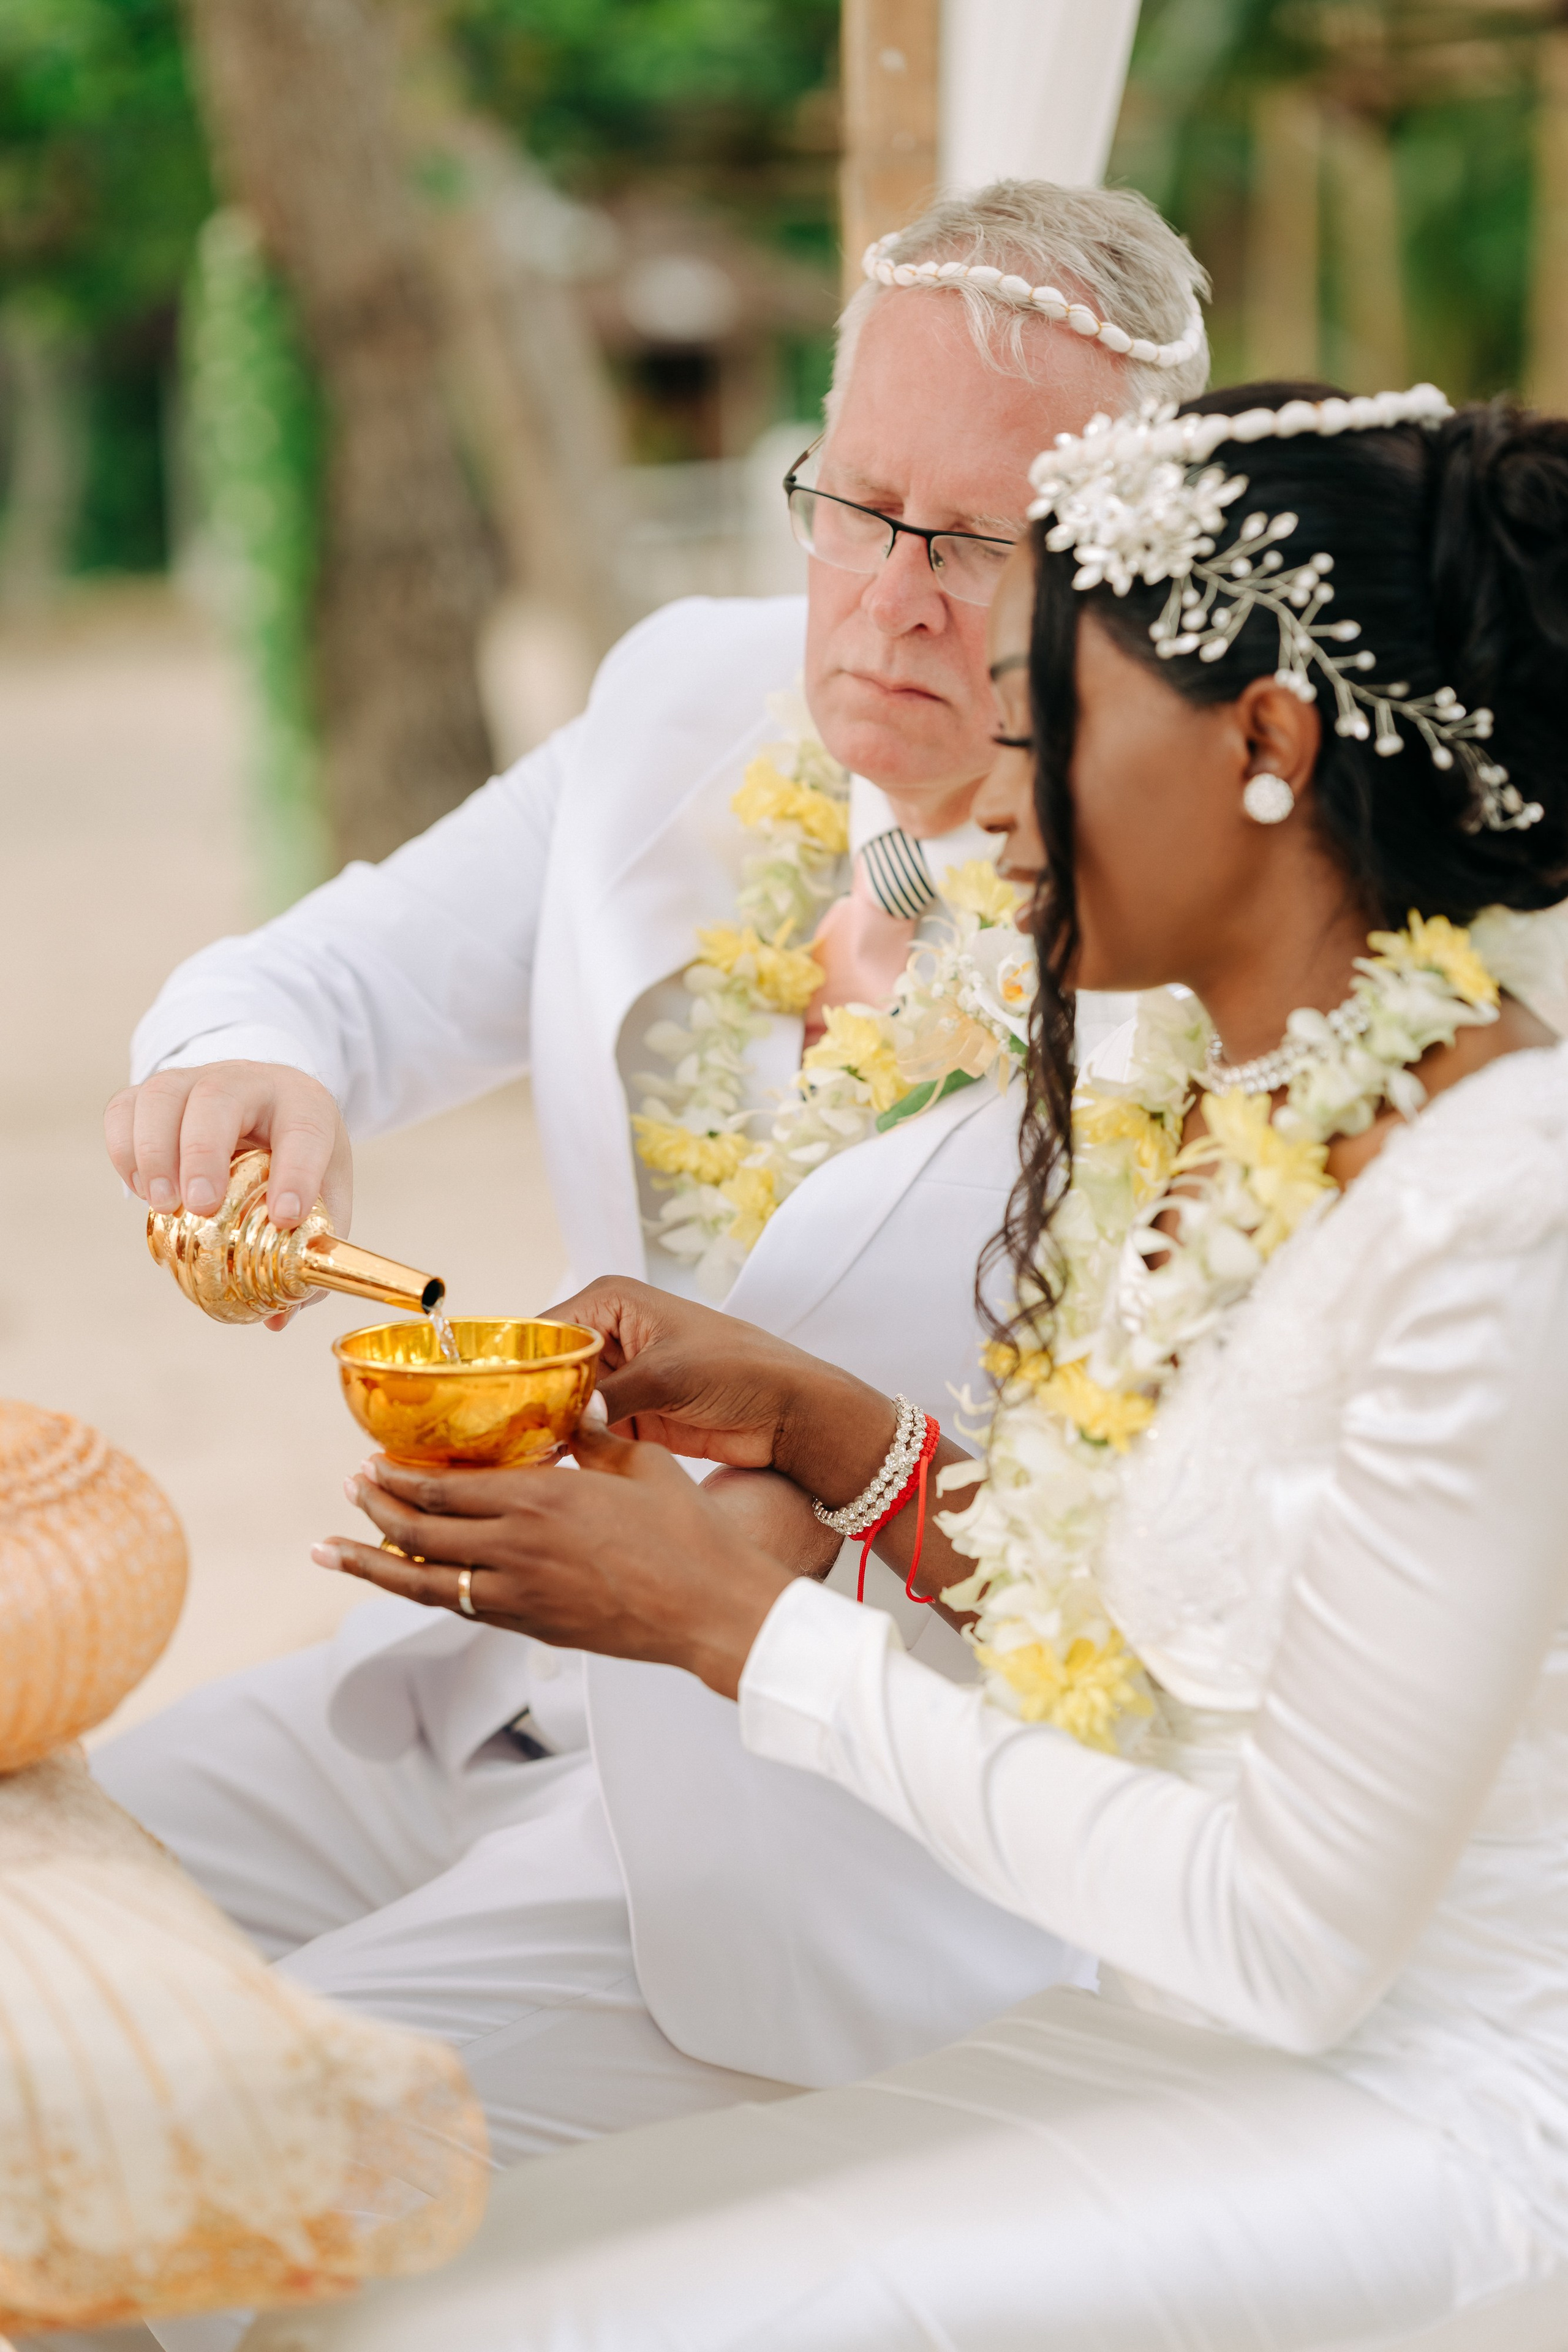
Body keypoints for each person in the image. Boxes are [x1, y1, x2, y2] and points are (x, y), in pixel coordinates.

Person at [311, 382, 1568, 2346]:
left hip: (1423, 2109)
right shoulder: (1236, 1108)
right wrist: (833, 1439)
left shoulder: (1503, 1213)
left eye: (1042, 723)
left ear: (1268, 743)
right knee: (370, 2279)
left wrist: (752, 1637)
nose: (982, 802)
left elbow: (1293, 1938)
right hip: (1157, 2045)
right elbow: (1159, 1613)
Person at [96, 184, 1210, 2160]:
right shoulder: (687, 703)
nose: (889, 595)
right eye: (856, 504)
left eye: (973, 543)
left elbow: (1162, 1606)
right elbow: (326, 971)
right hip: (463, 1685)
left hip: (825, 1855)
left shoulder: (1206, 950)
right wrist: (245, 1066)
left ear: (1129, 573)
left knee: (175, 2135)